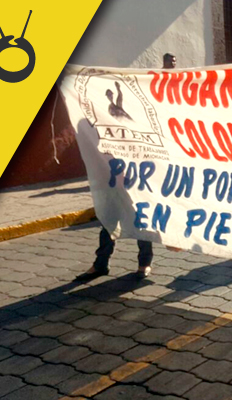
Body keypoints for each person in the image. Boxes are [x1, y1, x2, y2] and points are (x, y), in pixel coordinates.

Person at [75, 53, 179, 282]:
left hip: (135, 182)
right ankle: (100, 264)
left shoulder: (133, 121)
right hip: (110, 183)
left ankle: (144, 264)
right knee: (107, 223)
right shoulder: (94, 124)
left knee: (141, 222)